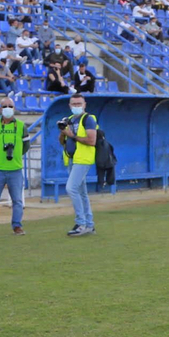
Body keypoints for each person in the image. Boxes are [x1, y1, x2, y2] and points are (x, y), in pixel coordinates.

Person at [0, 102, 29, 237]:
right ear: (0, 109)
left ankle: (17, 226)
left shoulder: (21, 125)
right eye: (4, 106)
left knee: (17, 200)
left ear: (14, 108)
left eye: (10, 106)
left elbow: (26, 145)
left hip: (15, 169)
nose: (7, 108)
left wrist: (16, 155)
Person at [59, 92, 98, 236]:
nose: (76, 106)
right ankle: (89, 224)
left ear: (84, 104)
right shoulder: (69, 119)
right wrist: (63, 132)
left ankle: (81, 223)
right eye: (74, 104)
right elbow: (61, 142)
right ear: (69, 105)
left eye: (79, 104)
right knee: (81, 192)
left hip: (83, 159)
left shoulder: (88, 119)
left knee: (71, 188)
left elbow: (91, 140)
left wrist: (71, 135)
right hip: (71, 158)